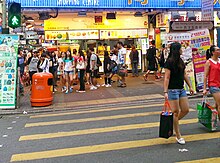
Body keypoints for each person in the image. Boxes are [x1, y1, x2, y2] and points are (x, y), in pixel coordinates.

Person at [164, 42, 194, 145]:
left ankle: (173, 123)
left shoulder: (180, 61)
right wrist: (165, 91)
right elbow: (167, 78)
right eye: (181, 48)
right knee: (175, 112)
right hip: (172, 90)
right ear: (177, 50)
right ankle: (178, 135)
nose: (182, 50)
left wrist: (190, 86)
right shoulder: (169, 62)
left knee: (185, 109)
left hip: (181, 89)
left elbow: (185, 75)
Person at [203, 45, 220, 119]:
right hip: (213, 85)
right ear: (213, 52)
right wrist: (204, 88)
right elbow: (205, 76)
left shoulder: (219, 61)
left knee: (217, 104)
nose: (219, 51)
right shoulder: (208, 62)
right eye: (217, 50)